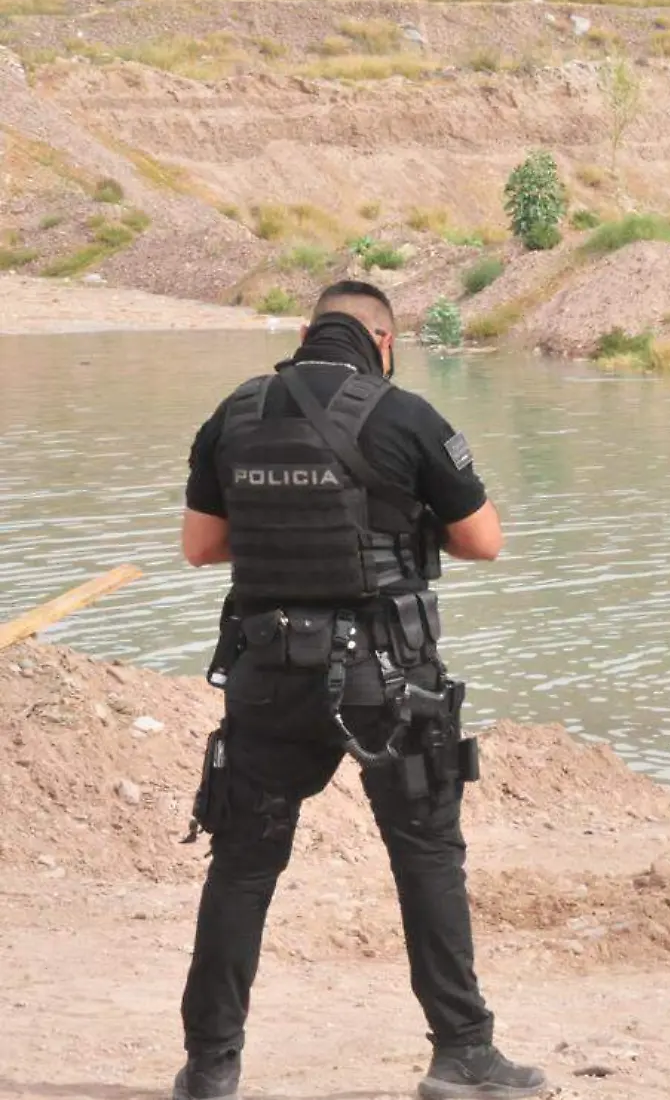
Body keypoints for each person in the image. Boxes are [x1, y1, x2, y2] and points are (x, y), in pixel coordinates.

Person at [172, 281, 546, 1100]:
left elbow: (200, 548)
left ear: (306, 334)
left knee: (241, 869)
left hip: (267, 677)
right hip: (388, 683)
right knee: (426, 858)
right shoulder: (406, 415)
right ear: (385, 342)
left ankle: (209, 1069)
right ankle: (464, 1056)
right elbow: (483, 541)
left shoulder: (234, 414)